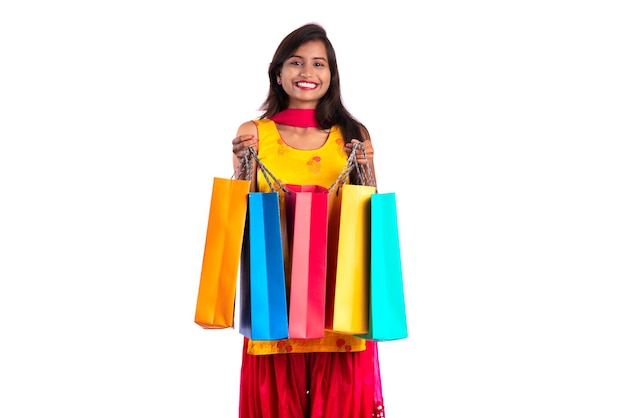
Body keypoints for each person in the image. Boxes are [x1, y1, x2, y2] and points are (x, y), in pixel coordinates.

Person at [231, 23, 384, 418]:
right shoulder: (254, 134)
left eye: (319, 64)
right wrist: (240, 166)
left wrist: (367, 168)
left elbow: (370, 215)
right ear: (277, 73)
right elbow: (240, 214)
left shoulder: (352, 134)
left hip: (339, 302)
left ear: (331, 75)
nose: (307, 73)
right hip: (276, 299)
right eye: (296, 62)